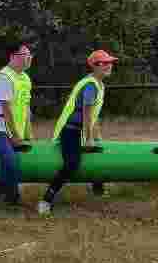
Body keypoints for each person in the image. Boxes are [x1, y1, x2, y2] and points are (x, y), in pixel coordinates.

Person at [38, 50, 117, 215]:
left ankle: (98, 189)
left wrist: (97, 137)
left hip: (78, 130)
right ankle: (46, 200)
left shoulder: (98, 84)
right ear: (95, 66)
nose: (110, 65)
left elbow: (93, 116)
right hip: (70, 131)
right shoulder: (90, 85)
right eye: (105, 63)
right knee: (71, 164)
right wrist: (89, 139)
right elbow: (87, 114)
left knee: (96, 154)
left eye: (110, 62)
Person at [0, 43, 33, 207]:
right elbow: (6, 110)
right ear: (13, 57)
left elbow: (25, 108)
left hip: (14, 130)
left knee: (9, 161)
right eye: (24, 54)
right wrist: (15, 137)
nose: (29, 58)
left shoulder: (25, 78)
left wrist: (28, 133)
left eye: (29, 54)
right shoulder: (3, 77)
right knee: (10, 160)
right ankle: (12, 200)